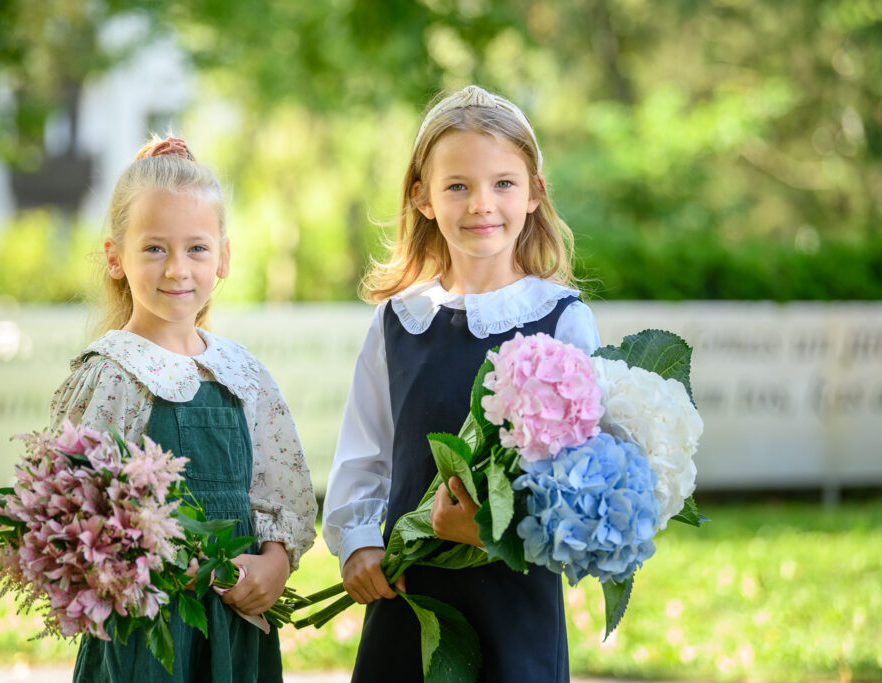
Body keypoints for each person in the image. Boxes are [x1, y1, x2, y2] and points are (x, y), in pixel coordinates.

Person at [322, 86, 601, 682]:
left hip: (515, 603)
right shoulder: (398, 322)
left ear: (534, 195)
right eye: (458, 186)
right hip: (410, 602)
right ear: (421, 197)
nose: (482, 204)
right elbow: (365, 453)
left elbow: (585, 476)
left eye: (503, 183)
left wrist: (492, 528)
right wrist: (359, 542)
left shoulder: (562, 320)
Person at [49, 135, 317, 683]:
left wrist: (275, 564)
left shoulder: (244, 375)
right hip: (146, 634)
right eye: (154, 248)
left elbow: (281, 493)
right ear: (115, 257)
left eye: (196, 248)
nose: (177, 269)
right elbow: (70, 510)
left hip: (236, 625)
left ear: (223, 258)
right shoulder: (111, 373)